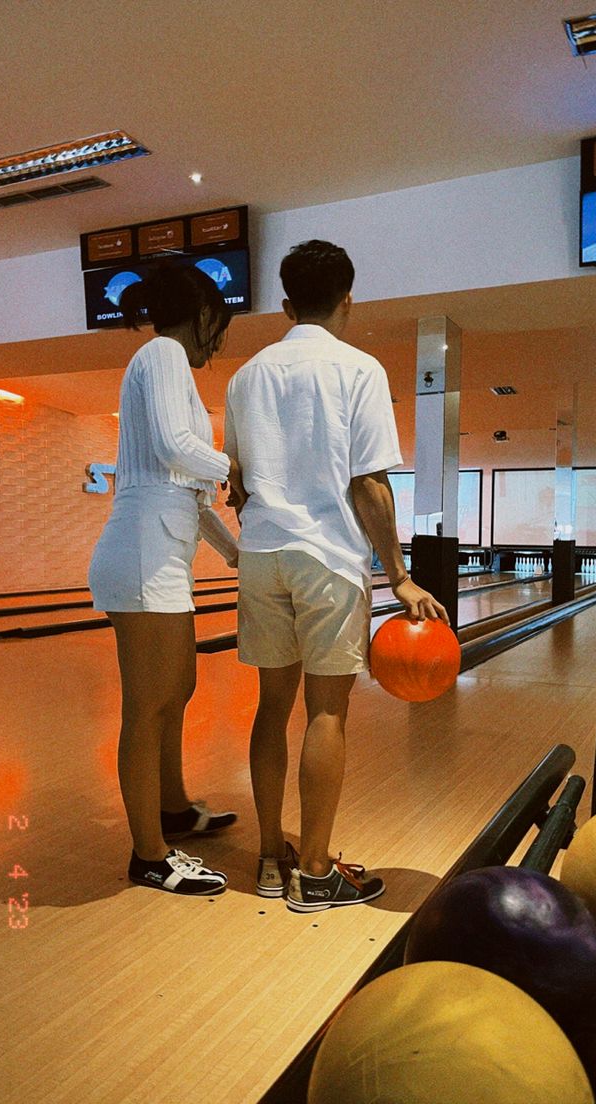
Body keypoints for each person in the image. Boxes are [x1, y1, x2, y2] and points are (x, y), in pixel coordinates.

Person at [224, 240, 449, 913]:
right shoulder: (359, 370)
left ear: (286, 304)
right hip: (327, 557)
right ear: (348, 301)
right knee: (326, 711)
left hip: (263, 555)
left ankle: (271, 858)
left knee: (271, 706)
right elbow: (370, 485)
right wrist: (400, 575)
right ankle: (315, 872)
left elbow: (236, 484)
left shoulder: (246, 378)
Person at [89, 263, 244, 897]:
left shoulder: (167, 366)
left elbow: (192, 491)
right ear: (204, 314)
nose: (216, 344)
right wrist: (243, 465)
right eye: (219, 328)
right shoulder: (160, 352)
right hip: (142, 556)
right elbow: (180, 448)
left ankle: (173, 808)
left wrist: (236, 555)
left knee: (176, 689)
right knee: (147, 707)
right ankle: (149, 854)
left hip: (162, 554)